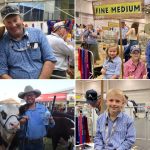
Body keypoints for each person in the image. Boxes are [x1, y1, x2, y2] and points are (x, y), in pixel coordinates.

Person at [0, 4, 56, 79]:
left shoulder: (37, 34)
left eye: (15, 20)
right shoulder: (3, 43)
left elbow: (50, 59)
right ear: (4, 24)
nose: (13, 25)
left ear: (21, 19)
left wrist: (40, 83)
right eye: (9, 22)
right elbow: (2, 71)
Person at [18, 85, 55, 150]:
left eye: (31, 95)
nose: (29, 97)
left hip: (39, 143)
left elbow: (52, 125)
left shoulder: (43, 108)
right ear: (24, 98)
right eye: (27, 95)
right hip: (25, 143)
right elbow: (18, 126)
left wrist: (51, 120)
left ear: (35, 96)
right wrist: (21, 123)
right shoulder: (21, 109)